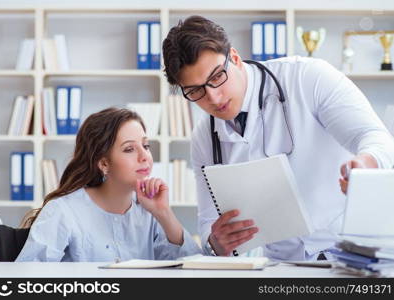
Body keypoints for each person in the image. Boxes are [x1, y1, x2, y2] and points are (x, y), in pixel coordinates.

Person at [162, 15, 394, 261]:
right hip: (282, 266)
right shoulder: (204, 136)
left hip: (351, 254)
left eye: (217, 77)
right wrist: (217, 242)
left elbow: (376, 137)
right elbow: (209, 222)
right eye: (196, 91)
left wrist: (366, 163)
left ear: (235, 57)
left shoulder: (307, 77)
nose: (214, 98)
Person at [17, 108, 202, 262]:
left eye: (146, 146)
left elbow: (195, 269)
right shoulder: (62, 211)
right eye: (129, 149)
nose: (144, 156)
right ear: (104, 164)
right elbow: (28, 281)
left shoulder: (149, 212)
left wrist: (164, 213)